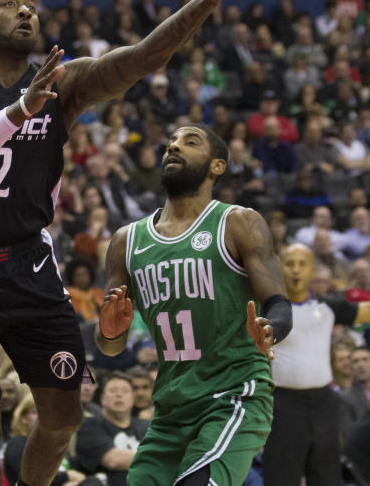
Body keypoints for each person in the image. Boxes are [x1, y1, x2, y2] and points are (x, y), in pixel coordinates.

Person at [0, 0, 259, 486]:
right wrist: (20, 110)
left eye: (31, 5)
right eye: (11, 4)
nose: (26, 11)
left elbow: (145, 56)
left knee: (64, 416)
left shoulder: (64, 82)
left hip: (29, 260)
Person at [95, 123, 292, 486]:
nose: (173, 146)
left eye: (190, 141)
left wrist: (271, 329)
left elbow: (278, 302)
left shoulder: (237, 222)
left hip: (234, 394)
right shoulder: (127, 241)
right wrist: (108, 332)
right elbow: (111, 347)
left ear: (217, 166)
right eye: (170, 142)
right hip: (171, 409)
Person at [262, 243, 370, 486]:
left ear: (312, 270)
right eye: (289, 263)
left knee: (327, 475)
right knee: (282, 476)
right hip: (283, 403)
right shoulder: (268, 308)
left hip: (324, 402)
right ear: (278, 268)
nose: (295, 270)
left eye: (302, 264)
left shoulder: (328, 307)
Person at [74, 372, 149, 485]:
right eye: (113, 390)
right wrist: (157, 457)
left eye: (125, 391)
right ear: (102, 398)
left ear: (133, 398)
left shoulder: (147, 427)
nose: (119, 395)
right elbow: (113, 461)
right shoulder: (88, 426)